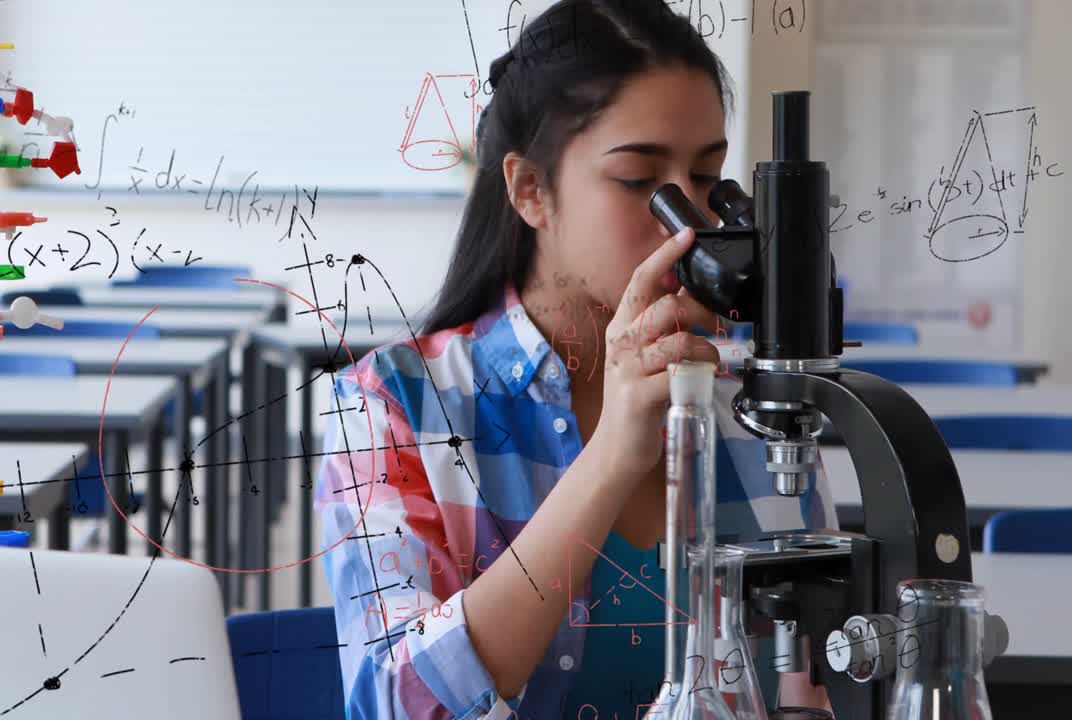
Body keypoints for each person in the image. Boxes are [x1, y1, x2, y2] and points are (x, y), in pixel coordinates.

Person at [315, 1, 836, 717]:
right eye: (640, 181)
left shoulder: (753, 411)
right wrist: (613, 453)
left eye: (708, 179)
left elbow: (814, 690)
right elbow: (396, 703)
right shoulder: (390, 404)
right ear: (532, 190)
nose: (687, 225)